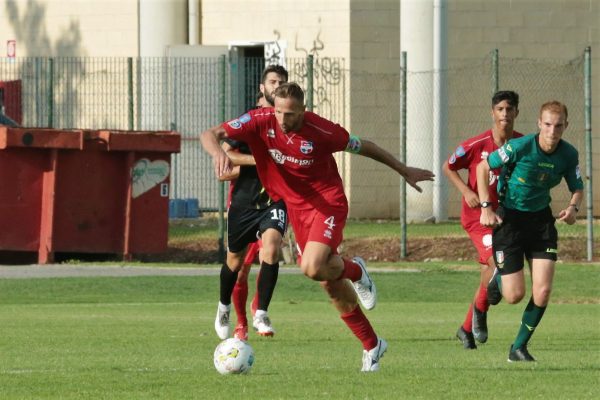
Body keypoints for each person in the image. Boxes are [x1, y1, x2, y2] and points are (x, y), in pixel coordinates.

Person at [201, 82, 434, 372]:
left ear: (303, 111)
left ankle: (357, 270)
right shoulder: (260, 121)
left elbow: (365, 147)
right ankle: (372, 345)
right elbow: (210, 134)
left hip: (327, 204)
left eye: (290, 114)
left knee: (311, 266)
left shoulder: (323, 131)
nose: (283, 121)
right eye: (279, 113)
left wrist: (403, 169)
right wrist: (216, 153)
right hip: (297, 209)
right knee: (329, 282)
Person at [476, 100, 583, 362]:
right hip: (510, 220)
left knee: (543, 291)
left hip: (541, 223)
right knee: (514, 295)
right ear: (539, 124)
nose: (552, 131)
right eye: (547, 124)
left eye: (558, 126)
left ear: (565, 126)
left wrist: (573, 209)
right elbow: (482, 167)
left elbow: (577, 187)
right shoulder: (520, 146)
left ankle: (518, 348)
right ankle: (497, 278)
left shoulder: (569, 154)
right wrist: (486, 207)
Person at [442, 91, 523, 350]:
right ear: (492, 113)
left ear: (516, 113)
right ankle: (481, 314)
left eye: (509, 109)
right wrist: (467, 192)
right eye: (500, 109)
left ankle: (466, 329)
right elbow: (449, 166)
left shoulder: (522, 144)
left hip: (505, 218)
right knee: (497, 265)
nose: (505, 114)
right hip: (478, 218)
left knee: (488, 275)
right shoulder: (476, 144)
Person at [214, 65, 289, 342]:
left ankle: (260, 310)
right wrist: (258, 162)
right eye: (272, 81)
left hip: (275, 201)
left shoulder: (289, 121)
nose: (277, 85)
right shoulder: (249, 121)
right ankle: (236, 319)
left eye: (282, 82)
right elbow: (225, 154)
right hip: (245, 201)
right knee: (238, 266)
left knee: (271, 249)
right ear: (262, 87)